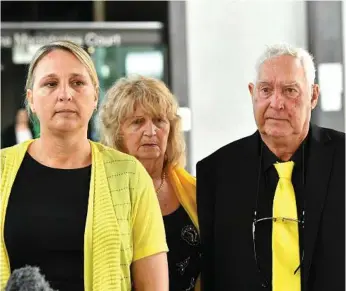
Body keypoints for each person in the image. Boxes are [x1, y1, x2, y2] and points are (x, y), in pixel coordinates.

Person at [0, 40, 169, 291]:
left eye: (78, 83)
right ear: (31, 100)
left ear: (95, 96)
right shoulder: (2, 169)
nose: (65, 94)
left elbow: (153, 286)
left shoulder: (130, 176)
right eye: (50, 83)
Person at [196, 43, 345, 291]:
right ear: (252, 93)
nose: (276, 103)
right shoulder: (216, 173)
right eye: (266, 90)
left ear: (314, 95)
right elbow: (212, 274)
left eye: (290, 91)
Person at [99, 75, 201, 291]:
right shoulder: (99, 191)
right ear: (117, 133)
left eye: (159, 120)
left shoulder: (195, 192)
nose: (151, 131)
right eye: (138, 122)